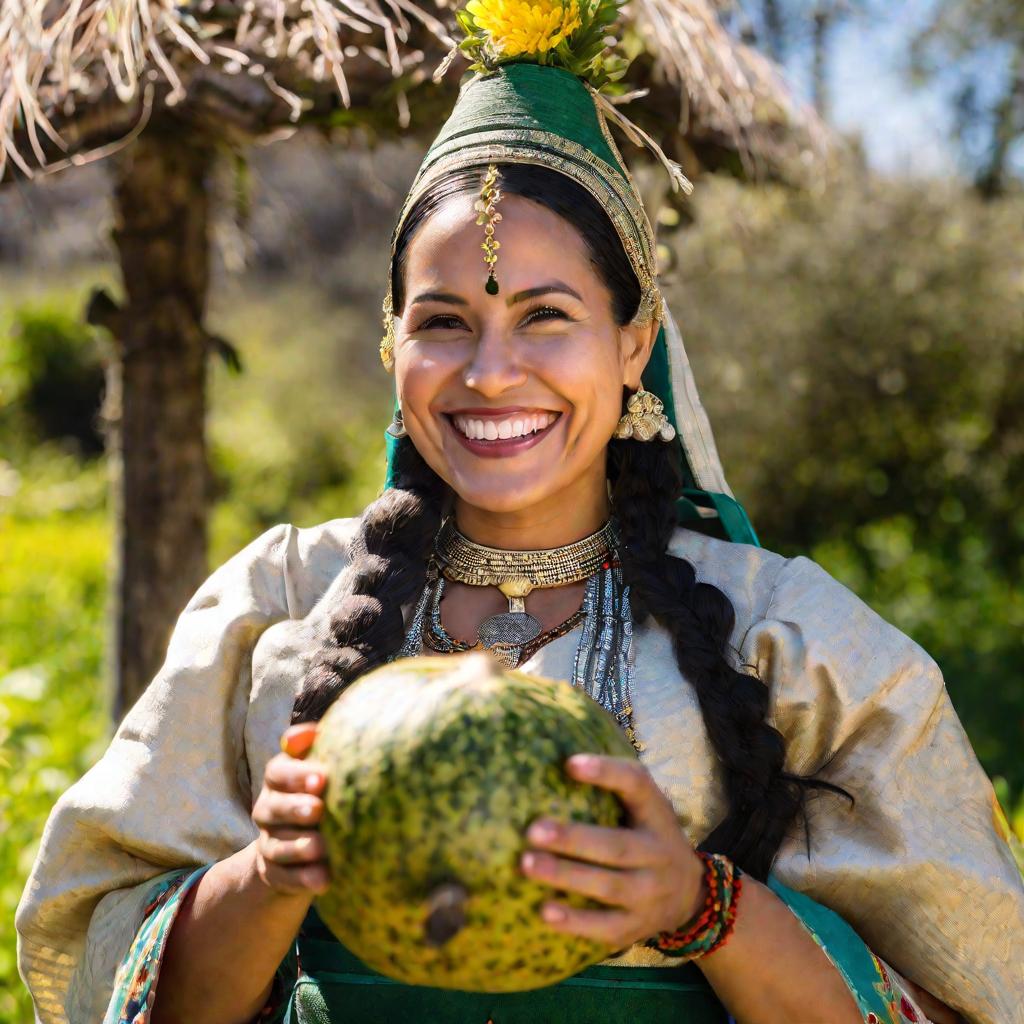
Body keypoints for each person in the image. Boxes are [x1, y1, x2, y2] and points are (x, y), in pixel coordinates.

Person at [16, 2, 1024, 1022]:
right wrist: (269, 877)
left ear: (634, 343)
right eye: (443, 323)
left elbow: (966, 992)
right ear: (390, 345)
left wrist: (702, 907)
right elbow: (119, 981)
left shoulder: (796, 644)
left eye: (546, 316)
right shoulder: (273, 607)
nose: (491, 374)